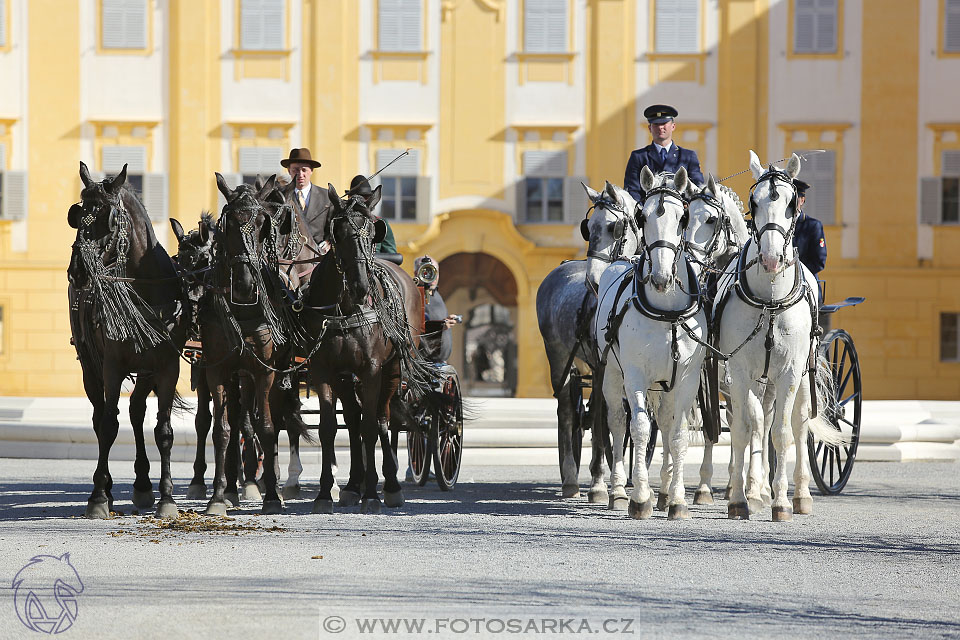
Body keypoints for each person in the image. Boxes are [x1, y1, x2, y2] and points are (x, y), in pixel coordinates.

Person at [624, 104, 704, 203]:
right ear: (649, 128)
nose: (660, 127)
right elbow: (632, 189)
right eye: (656, 124)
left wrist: (685, 207)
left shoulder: (687, 156)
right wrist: (641, 210)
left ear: (673, 126)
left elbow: (698, 186)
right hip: (648, 213)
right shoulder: (639, 156)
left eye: (664, 123)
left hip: (680, 212)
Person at [280, 147, 331, 248]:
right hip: (288, 257)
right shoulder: (280, 196)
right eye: (295, 170)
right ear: (289, 170)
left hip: (318, 257)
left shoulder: (326, 196)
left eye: (304, 170)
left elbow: (335, 227)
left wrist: (328, 243)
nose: (300, 174)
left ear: (311, 170)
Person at [414, 255, 459, 363]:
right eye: (427, 271)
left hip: (439, 364)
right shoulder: (414, 295)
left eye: (434, 271)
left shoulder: (435, 294)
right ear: (417, 273)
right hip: (423, 364)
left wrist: (444, 323)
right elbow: (415, 327)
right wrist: (440, 325)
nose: (432, 276)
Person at [346, 174, 398, 255]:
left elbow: (391, 254)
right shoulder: (339, 222)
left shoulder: (380, 223)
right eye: (357, 197)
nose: (361, 201)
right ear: (349, 198)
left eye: (366, 197)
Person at [791, 179, 827, 277]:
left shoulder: (813, 226)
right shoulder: (777, 225)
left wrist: (795, 275)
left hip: (806, 282)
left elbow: (819, 261)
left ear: (802, 200)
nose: (791, 203)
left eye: (795, 198)